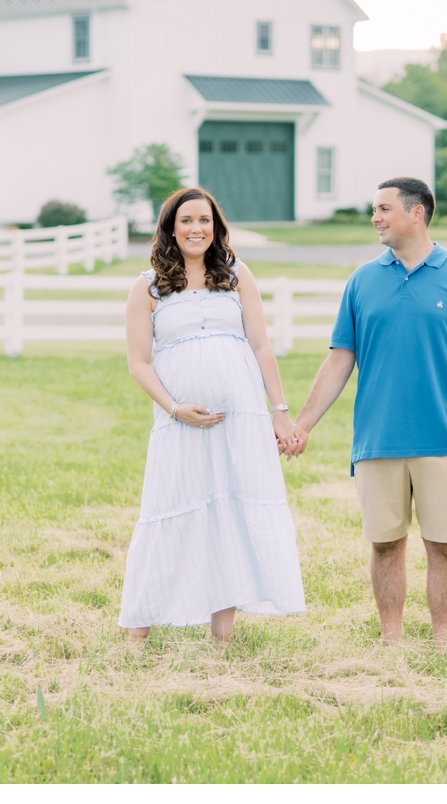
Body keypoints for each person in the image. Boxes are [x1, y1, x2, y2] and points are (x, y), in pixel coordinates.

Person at [294, 177, 447, 648]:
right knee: (384, 545)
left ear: (417, 213)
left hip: (446, 441)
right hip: (378, 440)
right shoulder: (363, 281)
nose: (375, 218)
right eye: (374, 210)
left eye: (384, 209)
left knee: (444, 547)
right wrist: (302, 424)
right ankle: (392, 643)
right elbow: (339, 359)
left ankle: (443, 641)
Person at [118, 187, 307, 642]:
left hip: (239, 418)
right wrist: (174, 407)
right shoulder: (146, 286)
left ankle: (220, 640)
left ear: (216, 227)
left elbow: (261, 346)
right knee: (167, 512)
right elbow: (138, 362)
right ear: (170, 228)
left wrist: (279, 413)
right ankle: (136, 638)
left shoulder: (238, 275)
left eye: (204, 220)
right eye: (186, 221)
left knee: (229, 510)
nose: (196, 229)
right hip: (178, 422)